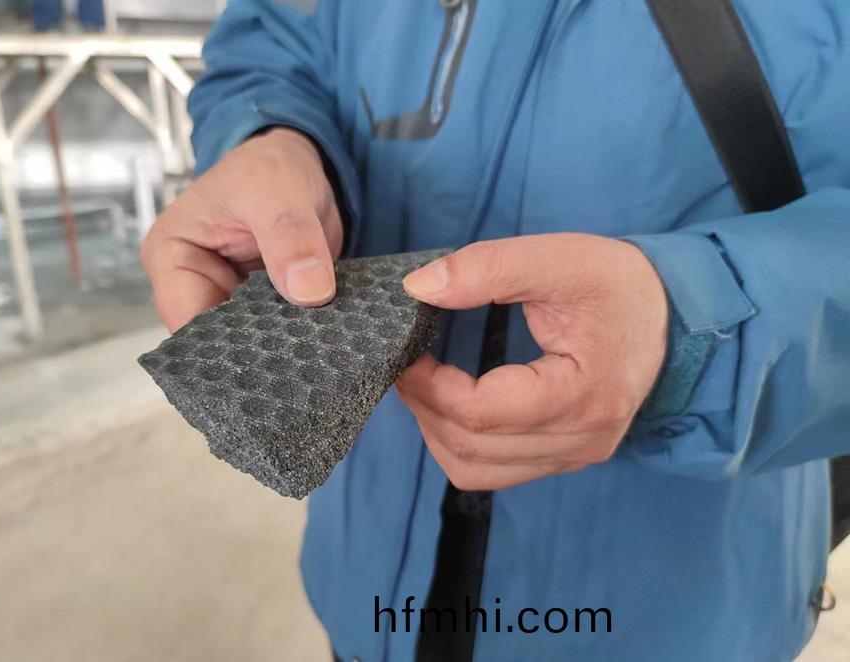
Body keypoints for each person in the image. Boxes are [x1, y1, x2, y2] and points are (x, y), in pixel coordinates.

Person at [140, 1, 850, 660]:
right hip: (366, 586)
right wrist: (272, 135)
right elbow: (269, 38)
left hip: (676, 609)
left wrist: (691, 334)